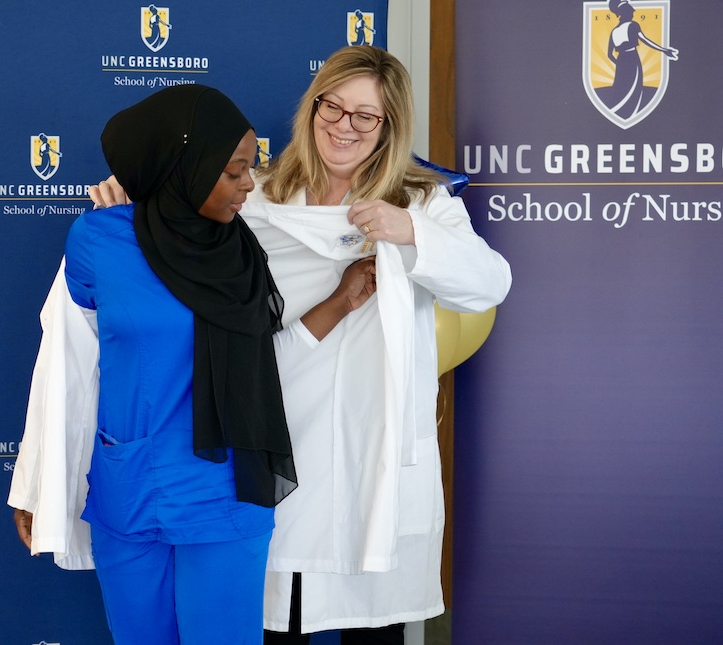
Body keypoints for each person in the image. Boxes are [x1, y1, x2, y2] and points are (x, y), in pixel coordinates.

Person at [90, 46, 512, 644]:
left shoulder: (422, 203)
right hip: (272, 438)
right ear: (311, 108)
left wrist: (411, 232)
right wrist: (136, 214)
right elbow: (179, 258)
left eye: (365, 115)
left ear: (390, 125)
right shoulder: (253, 197)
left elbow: (489, 284)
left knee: (374, 629)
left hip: (372, 452)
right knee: (276, 624)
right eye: (331, 107)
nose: (344, 125)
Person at [8, 84, 376, 645]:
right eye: (233, 171)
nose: (249, 184)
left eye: (249, 168)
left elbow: (266, 365)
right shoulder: (98, 240)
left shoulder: (248, 247)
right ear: (185, 166)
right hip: (130, 489)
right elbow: (65, 368)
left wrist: (343, 300)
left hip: (225, 496)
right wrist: (36, 484)